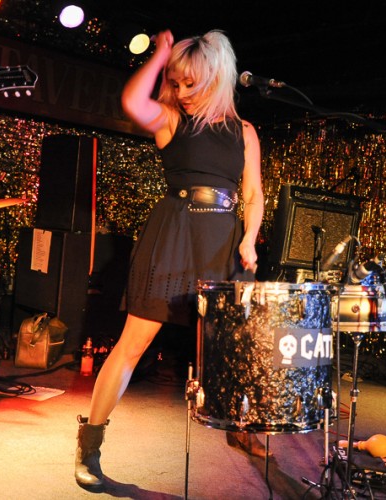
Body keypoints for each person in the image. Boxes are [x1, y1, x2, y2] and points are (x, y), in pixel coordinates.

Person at [75, 29, 265, 490]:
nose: (181, 91)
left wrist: (250, 239)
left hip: (223, 238)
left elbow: (254, 194)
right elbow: (131, 101)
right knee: (133, 344)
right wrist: (160, 55)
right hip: (175, 233)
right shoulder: (170, 120)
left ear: (216, 78)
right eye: (175, 82)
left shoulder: (244, 132)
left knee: (233, 344)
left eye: (190, 83)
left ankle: (239, 423)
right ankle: (89, 444)